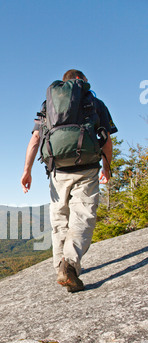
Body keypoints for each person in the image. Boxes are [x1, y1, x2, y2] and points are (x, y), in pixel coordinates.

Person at [21, 69, 118, 292]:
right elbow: (106, 139)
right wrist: (107, 166)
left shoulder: (49, 105)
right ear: (82, 82)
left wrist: (27, 171)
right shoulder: (94, 102)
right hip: (87, 168)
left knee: (59, 219)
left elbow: (35, 139)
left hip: (57, 169)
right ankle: (70, 266)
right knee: (82, 215)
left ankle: (59, 266)